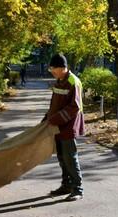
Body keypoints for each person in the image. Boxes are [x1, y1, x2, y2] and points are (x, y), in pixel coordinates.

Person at [44, 54, 85, 201]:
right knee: (61, 157)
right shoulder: (59, 80)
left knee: (70, 157)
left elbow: (75, 107)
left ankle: (78, 189)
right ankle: (66, 185)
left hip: (68, 126)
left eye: (53, 69)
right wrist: (47, 116)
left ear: (62, 68)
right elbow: (55, 103)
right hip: (58, 125)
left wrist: (55, 118)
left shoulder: (73, 81)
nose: (52, 71)